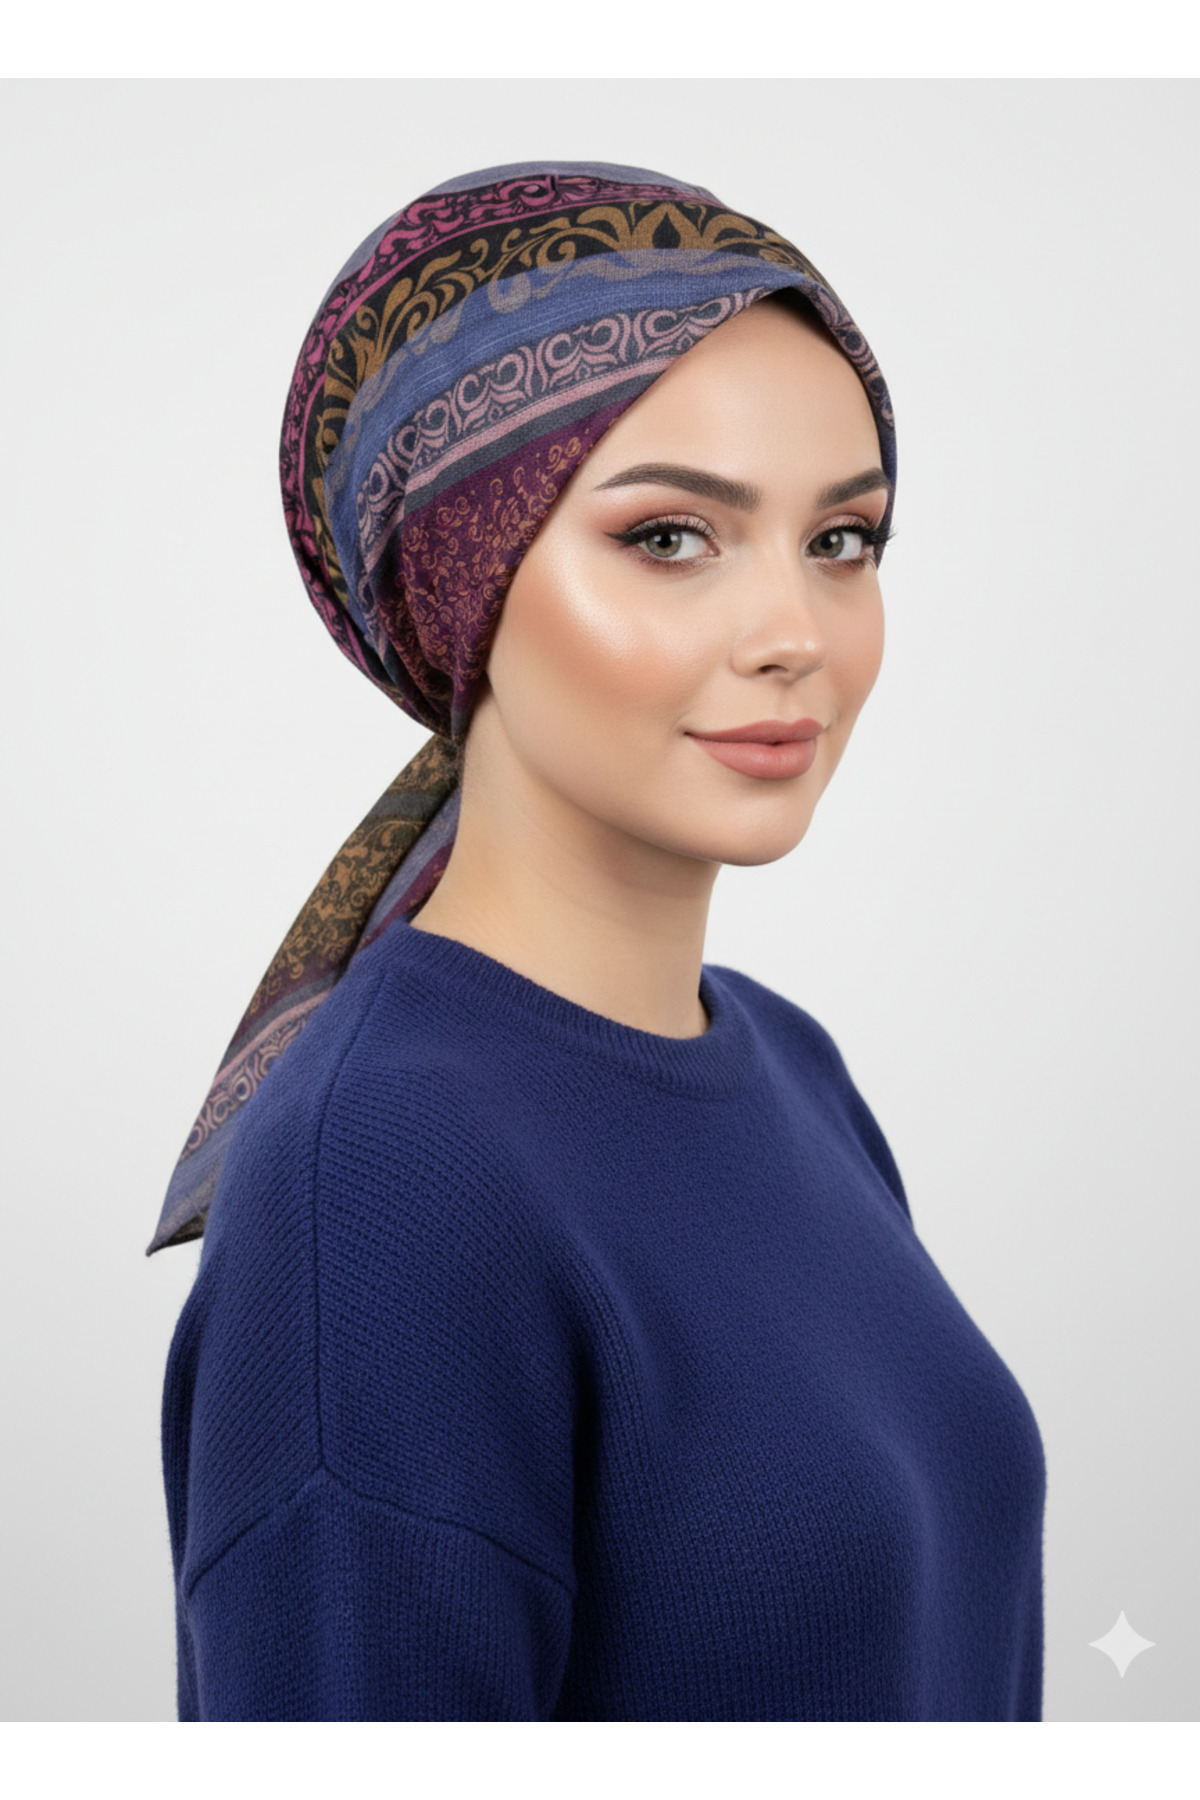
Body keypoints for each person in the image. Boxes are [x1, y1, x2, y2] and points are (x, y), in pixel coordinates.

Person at [150, 161, 1046, 1721]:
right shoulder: (380, 1181)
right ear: (463, 572)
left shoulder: (789, 1070)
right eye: (673, 537)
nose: (795, 634)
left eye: (844, 540)